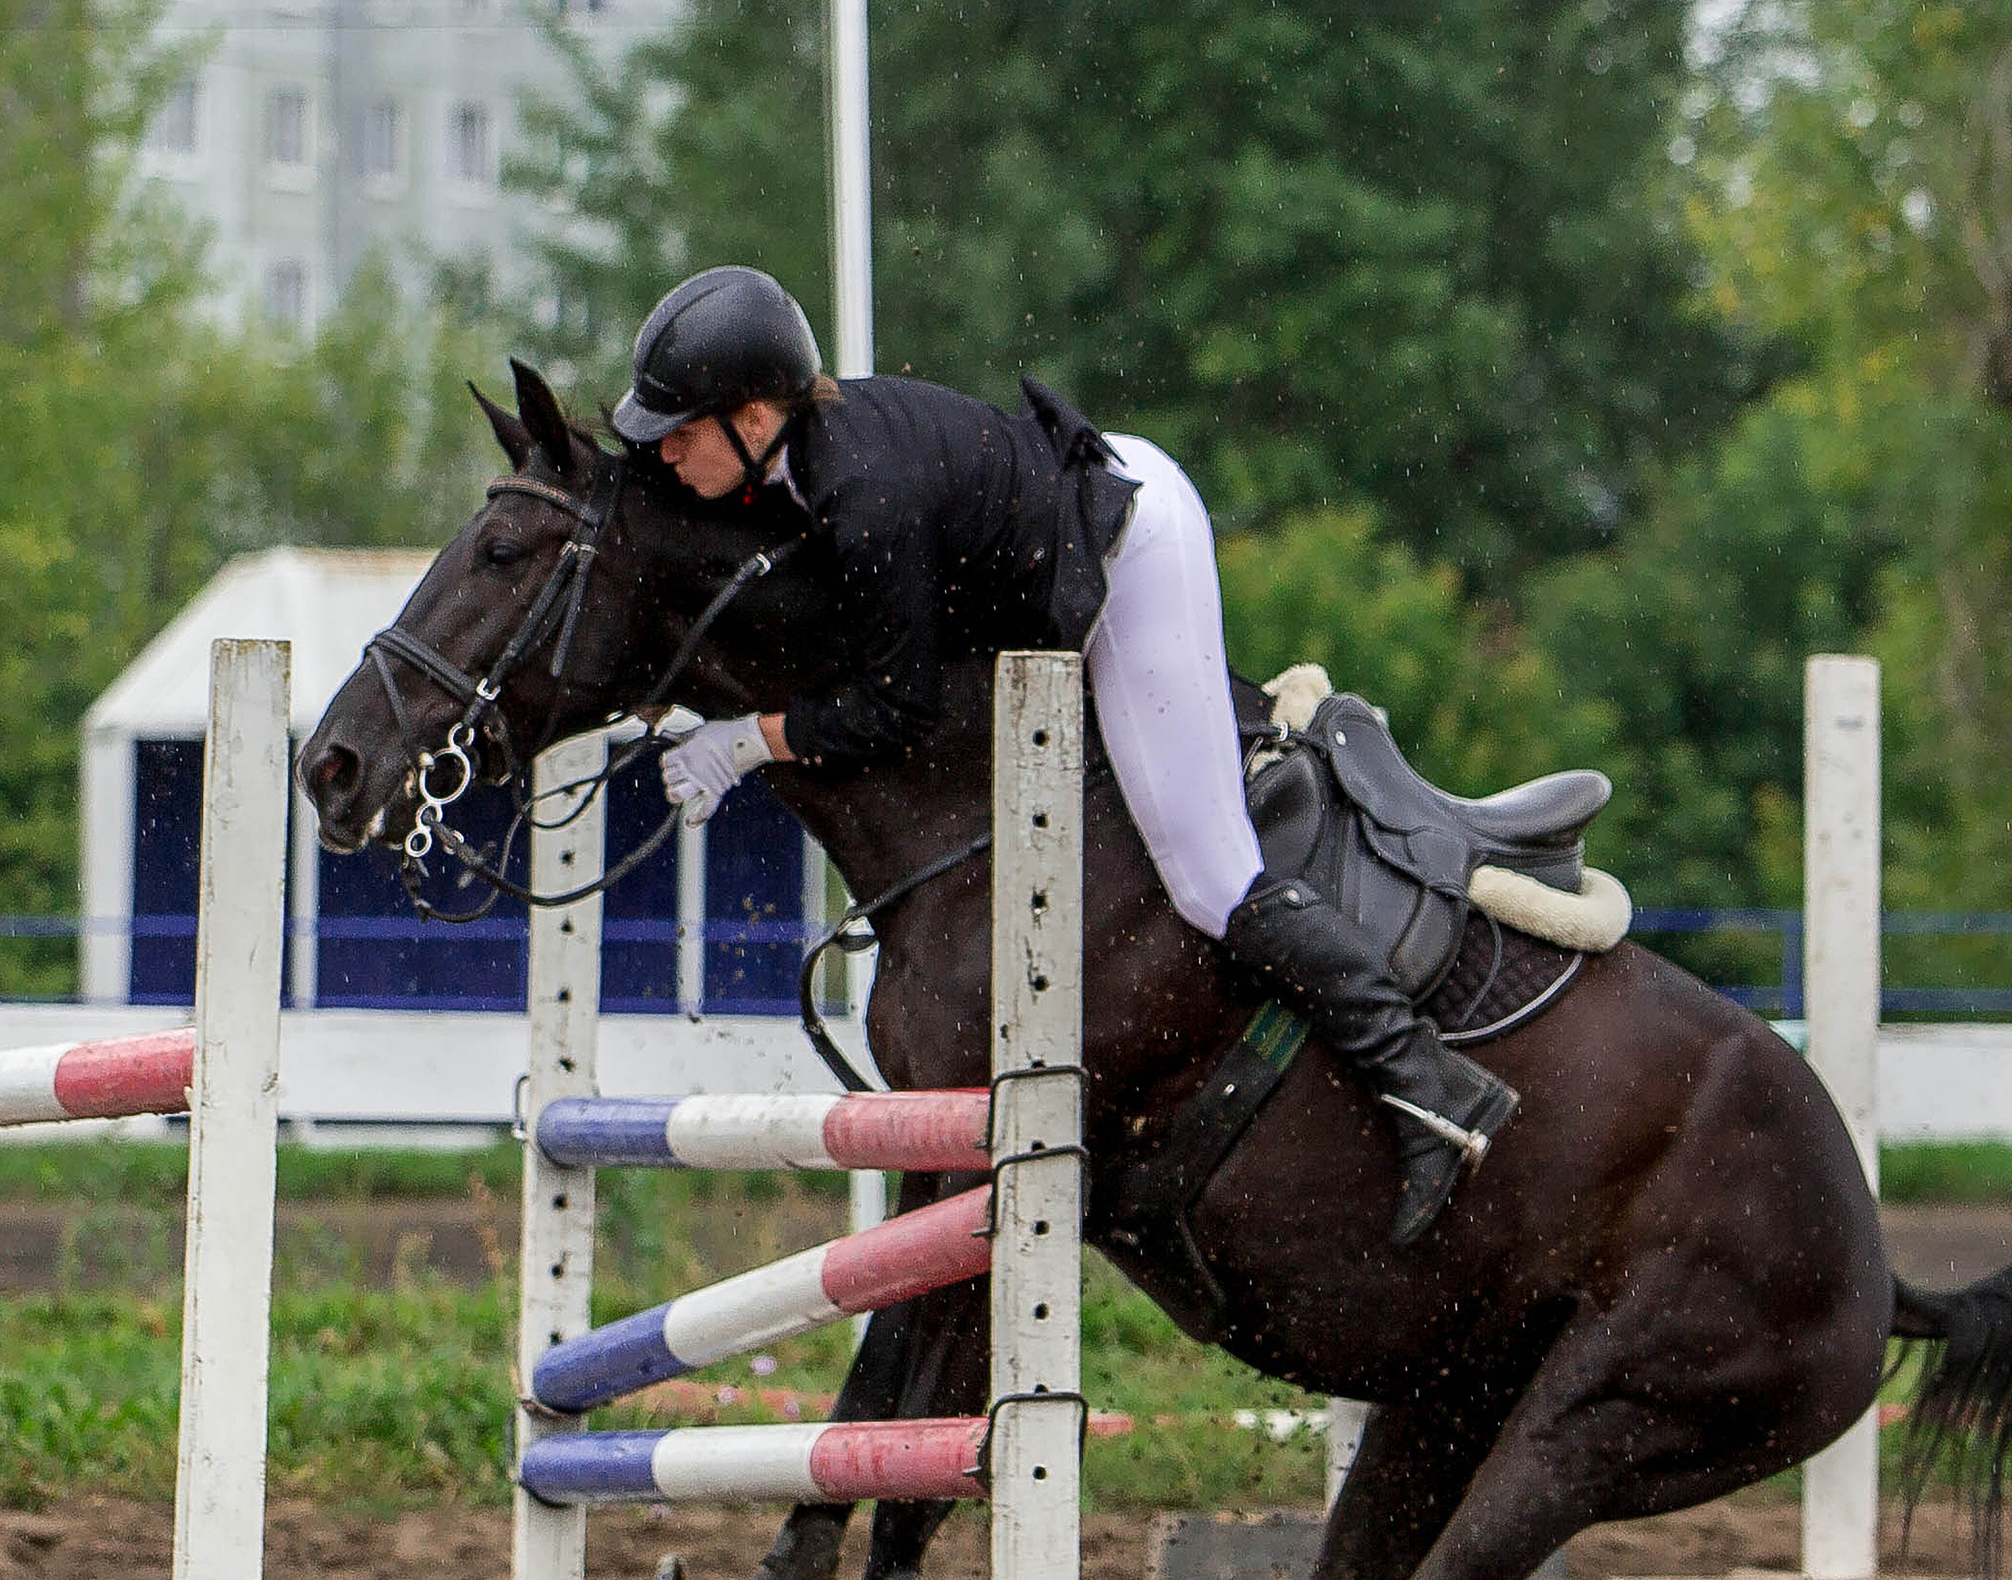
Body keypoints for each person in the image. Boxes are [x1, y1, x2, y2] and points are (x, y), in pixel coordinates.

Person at [615, 266, 1514, 1246]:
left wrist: (747, 742)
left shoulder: (860, 494)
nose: (663, 449)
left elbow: (893, 709)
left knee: (1211, 880)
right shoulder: (796, 465)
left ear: (753, 417)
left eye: (681, 428)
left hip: (1131, 551)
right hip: (1067, 518)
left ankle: (1431, 1089)